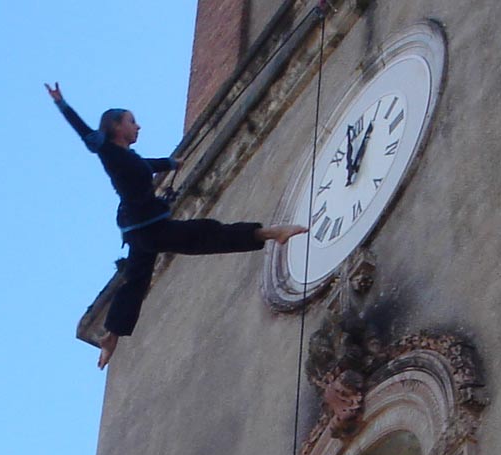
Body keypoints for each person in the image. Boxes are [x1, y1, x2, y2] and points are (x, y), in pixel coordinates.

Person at [47, 83, 307, 369]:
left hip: (142, 231)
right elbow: (85, 132)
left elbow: (147, 164)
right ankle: (270, 233)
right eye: (131, 121)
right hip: (146, 227)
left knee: (137, 279)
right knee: (206, 234)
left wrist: (170, 163)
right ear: (116, 127)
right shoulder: (108, 151)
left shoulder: (129, 158)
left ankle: (112, 335)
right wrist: (62, 104)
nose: (138, 126)